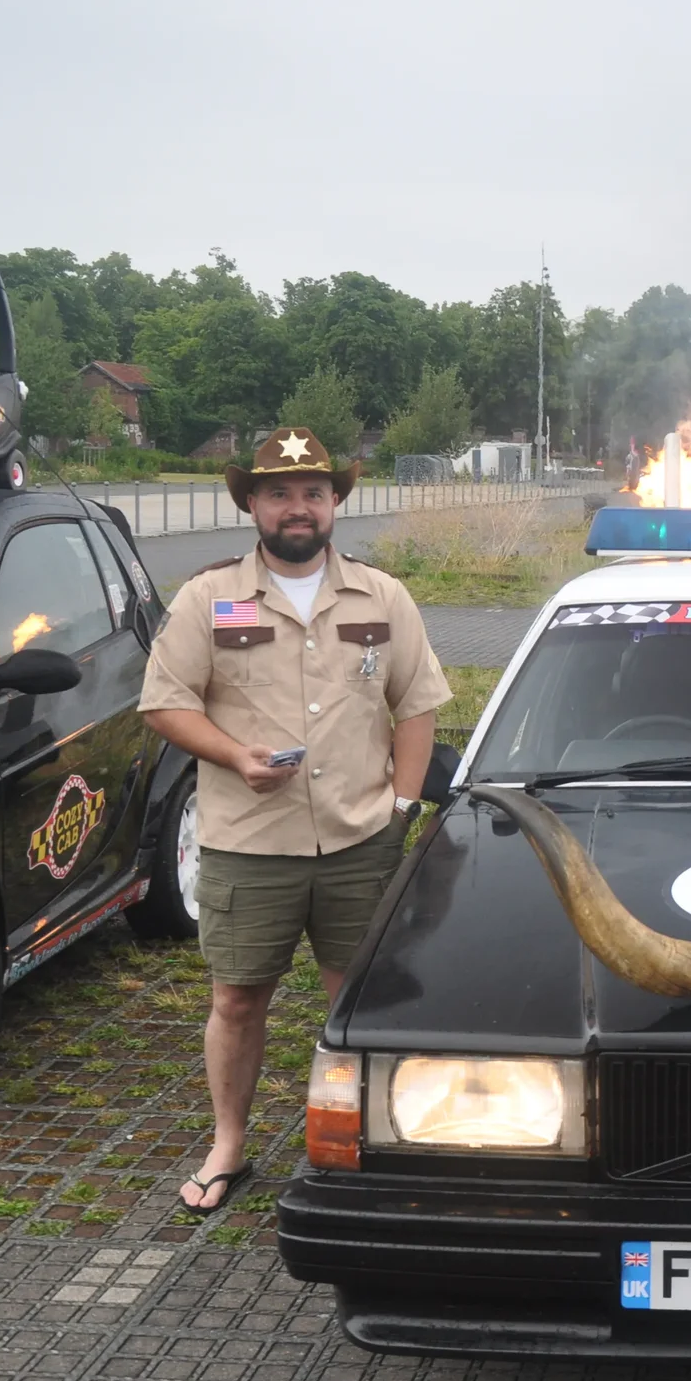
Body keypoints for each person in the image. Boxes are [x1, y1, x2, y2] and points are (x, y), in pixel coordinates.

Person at [140, 427, 452, 1212]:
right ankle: (229, 1145)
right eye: (279, 492)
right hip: (250, 845)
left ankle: (373, 1144)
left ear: (336, 502)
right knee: (239, 999)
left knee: (357, 1003)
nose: (298, 507)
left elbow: (416, 706)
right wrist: (234, 754)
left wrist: (404, 807)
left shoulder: (382, 597)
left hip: (360, 840)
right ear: (251, 502)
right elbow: (165, 702)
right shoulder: (209, 597)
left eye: (314, 491)